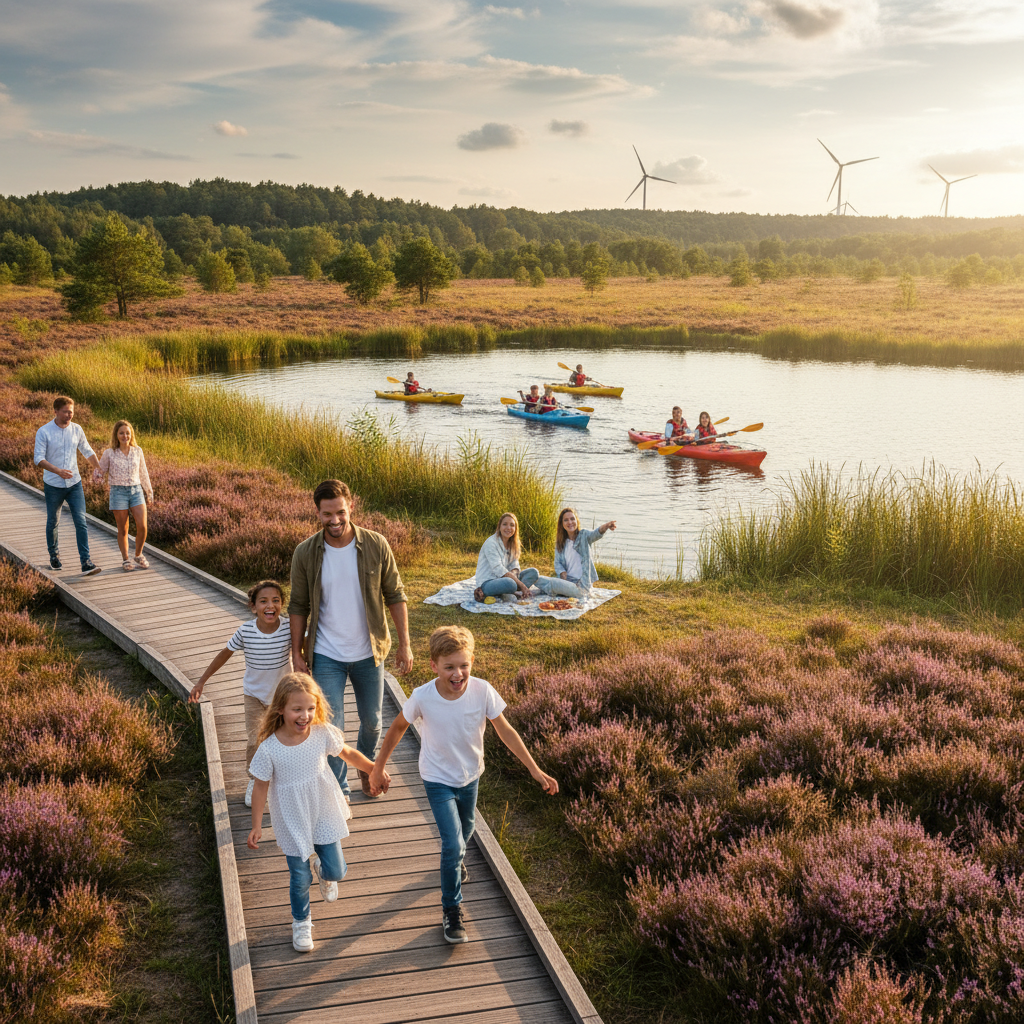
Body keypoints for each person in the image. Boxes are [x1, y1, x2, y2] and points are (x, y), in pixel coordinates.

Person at [368, 626, 557, 944]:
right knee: (452, 844)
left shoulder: (483, 691)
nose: (458, 674)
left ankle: (455, 864)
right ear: (434, 665)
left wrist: (535, 770)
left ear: (471, 662)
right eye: (449, 667)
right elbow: (398, 727)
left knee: (466, 830)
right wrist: (378, 768)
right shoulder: (423, 697)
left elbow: (505, 731)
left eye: (464, 665)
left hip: (470, 776)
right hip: (437, 778)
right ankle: (451, 910)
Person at [288, 479, 413, 800]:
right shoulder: (305, 553)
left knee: (372, 722)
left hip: (369, 652)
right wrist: (297, 654)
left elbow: (395, 595)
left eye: (340, 512)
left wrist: (405, 644)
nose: (335, 520)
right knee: (332, 726)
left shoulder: (376, 544)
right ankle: (339, 786)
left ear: (351, 507)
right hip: (325, 653)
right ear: (317, 512)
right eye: (327, 514)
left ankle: (367, 768)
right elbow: (298, 605)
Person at [247, 672, 388, 953]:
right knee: (299, 878)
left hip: (323, 810)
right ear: (280, 709)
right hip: (291, 818)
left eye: (311, 708)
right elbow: (260, 787)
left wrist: (374, 769)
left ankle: (323, 872)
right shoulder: (269, 749)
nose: (305, 716)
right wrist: (257, 825)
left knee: (337, 870)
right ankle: (301, 922)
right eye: (297, 709)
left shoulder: (322, 733)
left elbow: (348, 754)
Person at [188, 580, 293, 807]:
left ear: (282, 604)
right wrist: (202, 681)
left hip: (283, 697)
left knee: (285, 739)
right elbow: (224, 654)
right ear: (253, 606)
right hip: (254, 696)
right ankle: (255, 780)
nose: (270, 605)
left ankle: (283, 781)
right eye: (263, 601)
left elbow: (308, 645)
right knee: (255, 740)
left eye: (275, 600)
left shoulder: (288, 628)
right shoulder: (246, 630)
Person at [33, 396, 102, 575]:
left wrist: (98, 468)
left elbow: (87, 450)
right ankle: (54, 555)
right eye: (65, 412)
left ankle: (86, 562)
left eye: (71, 411)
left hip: (74, 484)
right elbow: (38, 459)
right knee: (53, 522)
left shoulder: (77, 429)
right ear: (55, 411)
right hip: (53, 485)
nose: (69, 415)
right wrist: (58, 471)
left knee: (81, 521)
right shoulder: (44, 431)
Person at [91, 419, 153, 572]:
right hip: (118, 492)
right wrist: (97, 477)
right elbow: (100, 471)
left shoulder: (137, 451)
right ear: (116, 435)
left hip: (136, 491)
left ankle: (138, 555)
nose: (125, 436)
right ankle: (126, 559)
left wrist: (149, 492)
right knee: (123, 529)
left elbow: (143, 472)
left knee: (143, 526)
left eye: (127, 433)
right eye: (121, 433)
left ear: (131, 435)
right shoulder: (109, 453)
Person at [473, 512, 542, 602]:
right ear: (499, 526)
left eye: (512, 525)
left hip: (506, 579)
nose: (508, 528)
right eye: (505, 524)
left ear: (515, 528)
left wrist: (514, 576)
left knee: (533, 573)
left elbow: (515, 567)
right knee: (510, 583)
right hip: (488, 582)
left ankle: (509, 592)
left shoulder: (513, 543)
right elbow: (499, 570)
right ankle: (505, 591)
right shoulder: (491, 543)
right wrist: (522, 585)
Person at [552, 508, 616, 597]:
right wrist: (562, 573)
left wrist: (606, 526)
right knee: (545, 583)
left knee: (555, 589)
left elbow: (595, 534)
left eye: (572, 519)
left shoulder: (584, 535)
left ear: (576, 521)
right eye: (566, 520)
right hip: (567, 581)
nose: (570, 522)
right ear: (562, 524)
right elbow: (557, 562)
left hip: (582, 583)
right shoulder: (560, 542)